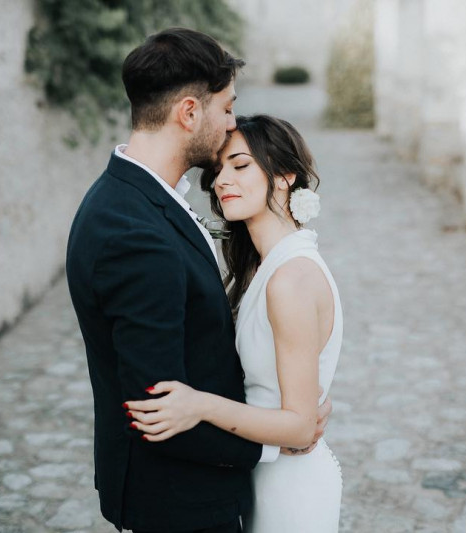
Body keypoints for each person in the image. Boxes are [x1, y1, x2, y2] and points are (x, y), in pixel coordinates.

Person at [65, 29, 331, 533]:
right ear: (189, 112)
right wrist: (282, 439)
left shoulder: (136, 199)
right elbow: (159, 408)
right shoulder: (134, 233)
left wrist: (292, 408)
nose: (231, 123)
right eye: (226, 108)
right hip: (180, 502)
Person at [125, 114, 343, 533]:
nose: (222, 180)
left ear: (285, 176)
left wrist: (198, 405)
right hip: (258, 473)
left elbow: (300, 426)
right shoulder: (263, 267)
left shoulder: (291, 279)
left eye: (241, 165)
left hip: (290, 490)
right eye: (218, 170)